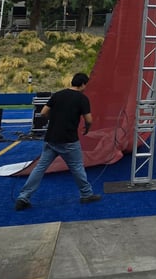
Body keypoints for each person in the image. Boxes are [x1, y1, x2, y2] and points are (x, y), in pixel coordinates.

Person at [15, 72, 101, 210]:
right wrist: (87, 128)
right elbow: (89, 120)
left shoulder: (57, 95)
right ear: (83, 84)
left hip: (51, 138)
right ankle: (86, 194)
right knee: (77, 167)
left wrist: (54, 120)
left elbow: (43, 112)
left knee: (40, 168)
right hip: (69, 140)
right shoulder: (82, 98)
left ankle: (23, 197)